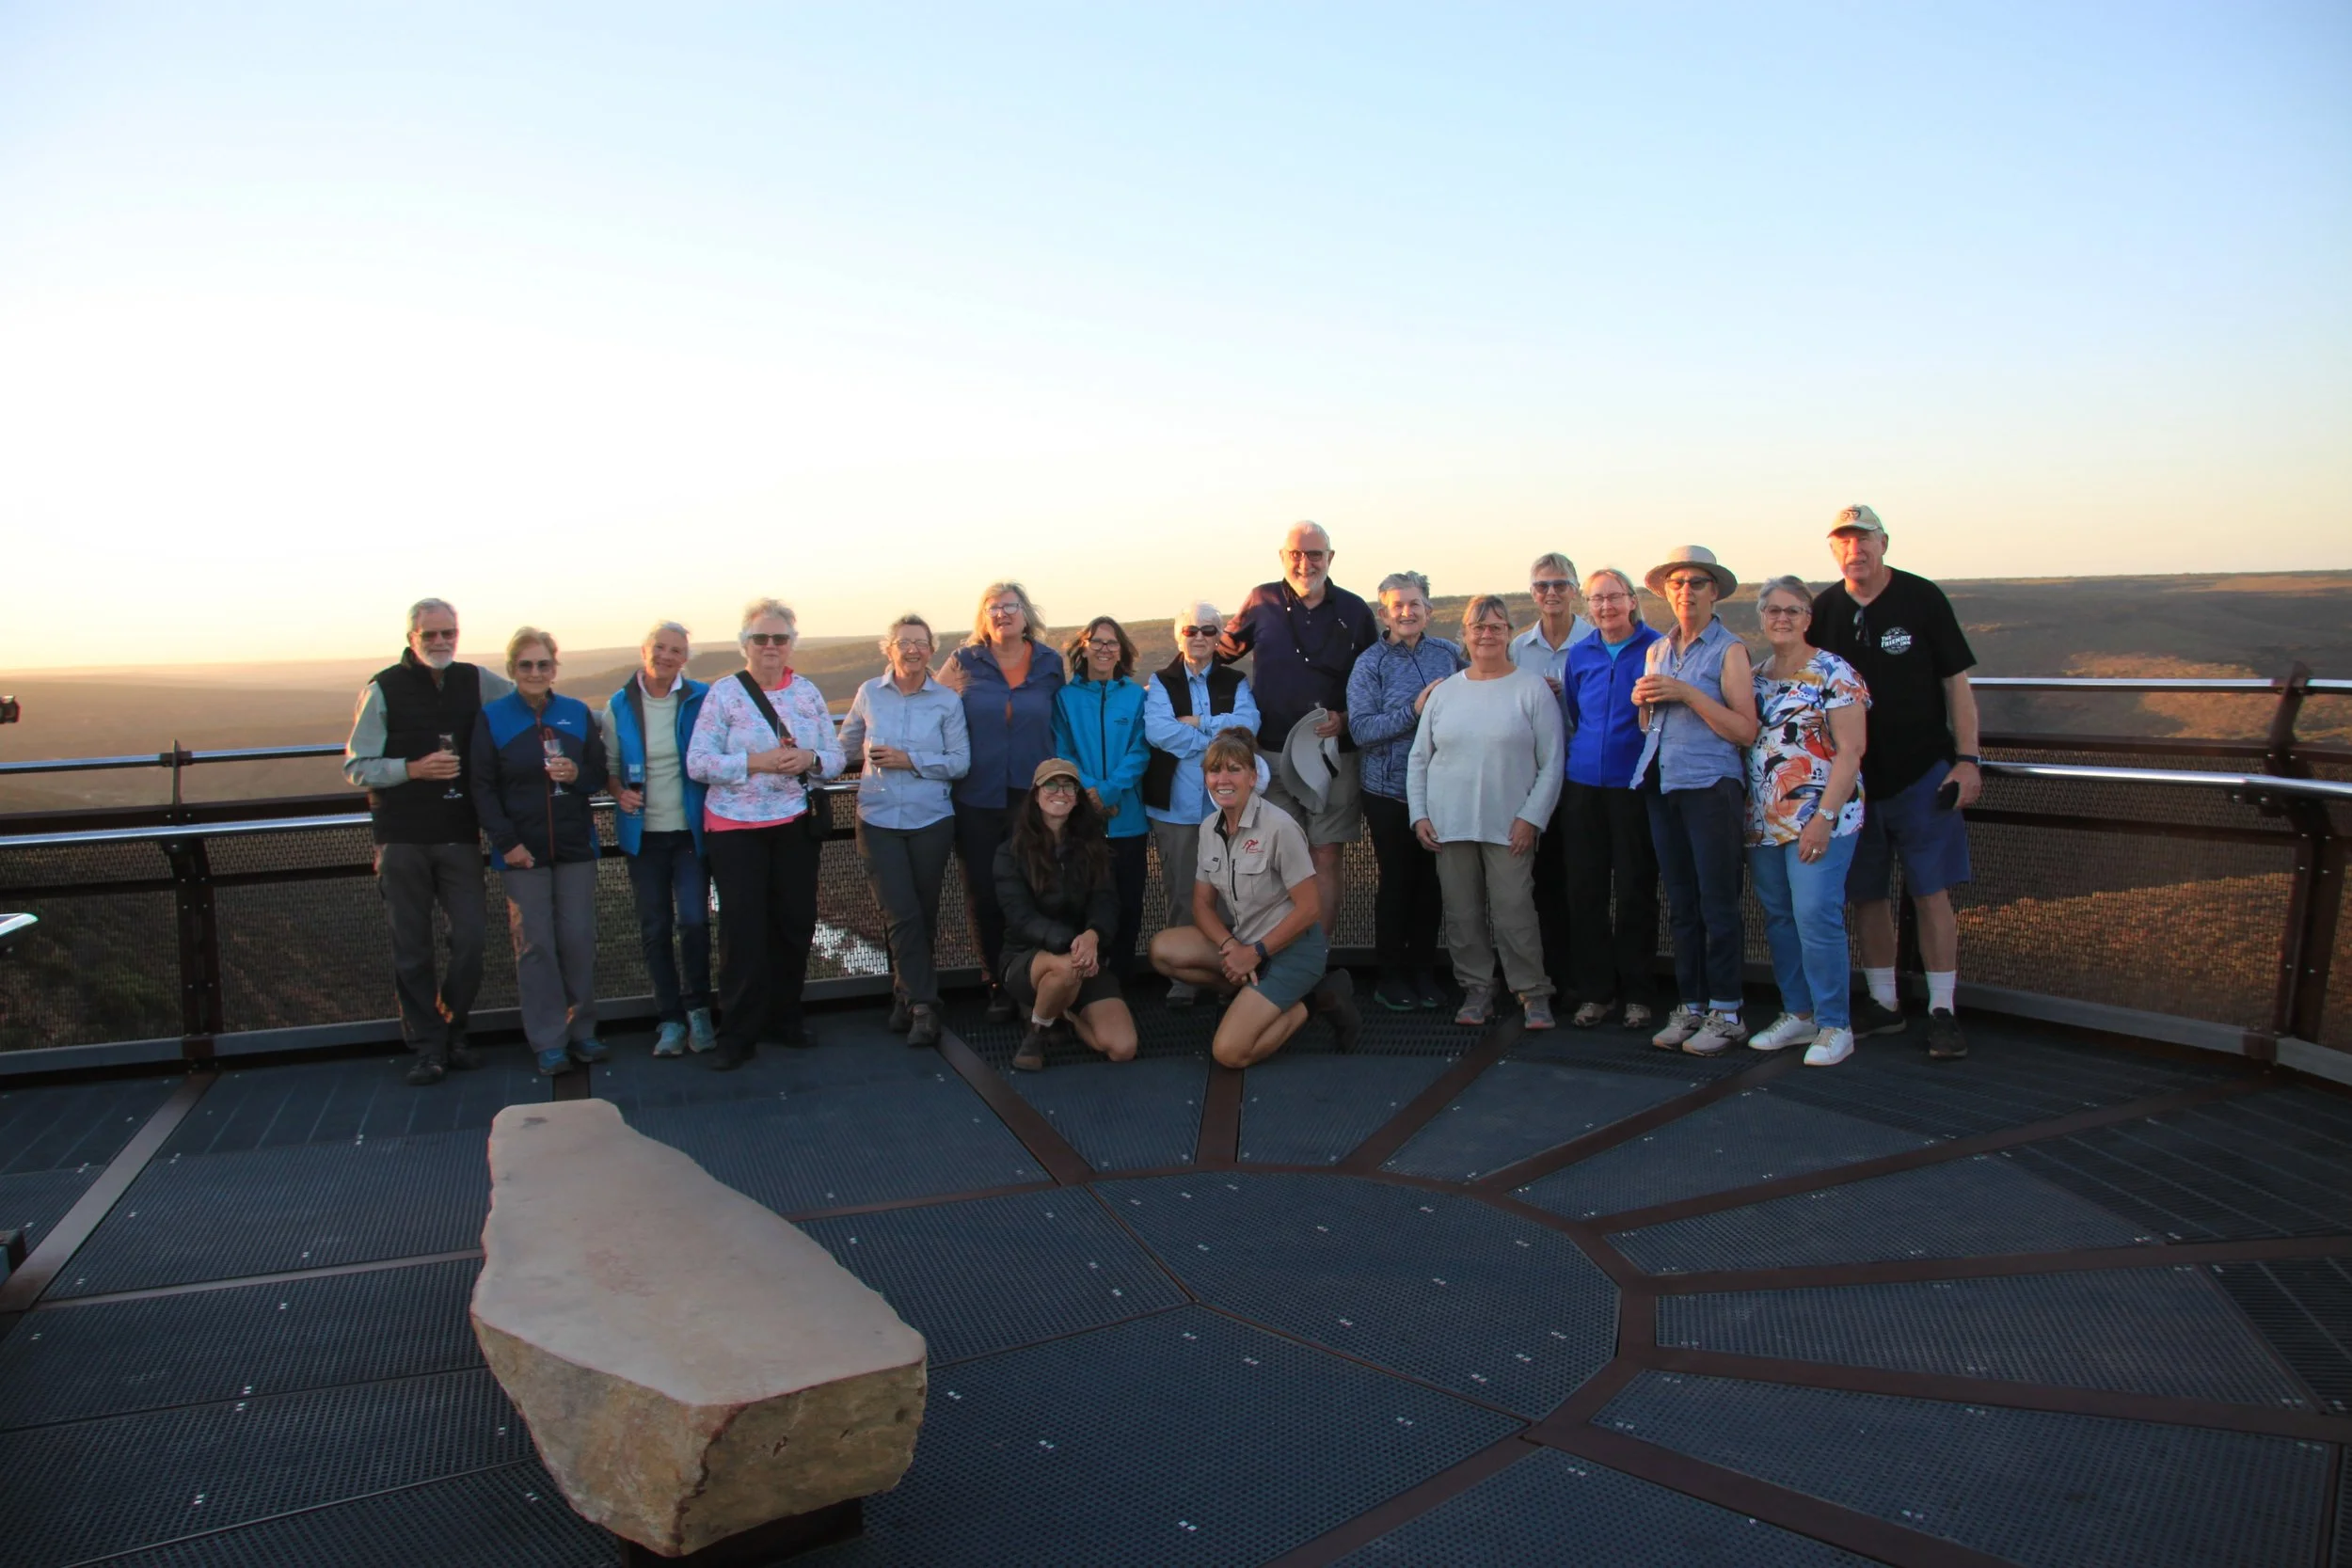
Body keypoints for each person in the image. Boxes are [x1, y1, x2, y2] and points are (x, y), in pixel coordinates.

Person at [1808, 504, 1980, 1060]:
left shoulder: (1920, 597)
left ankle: (1942, 1010)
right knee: (1866, 895)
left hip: (1921, 774)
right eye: (1845, 541)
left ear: (1884, 543)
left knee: (1932, 892)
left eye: (1865, 539)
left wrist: (1968, 758)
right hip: (1854, 783)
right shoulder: (1824, 610)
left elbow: (1957, 683)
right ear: (1834, 550)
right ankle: (1884, 1003)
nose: (1855, 549)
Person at [343, 597, 515, 1086]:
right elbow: (357, 766)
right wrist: (411, 769)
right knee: (412, 947)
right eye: (430, 635)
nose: (441, 642)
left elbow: (529, 697)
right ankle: (429, 1046)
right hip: (401, 836)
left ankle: (453, 1027)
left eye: (448, 633)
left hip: (459, 833)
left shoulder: (477, 681)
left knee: (472, 940)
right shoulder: (384, 689)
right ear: (411, 638)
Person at [686, 598, 843, 1071]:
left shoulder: (809, 693)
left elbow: (834, 757)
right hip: (735, 830)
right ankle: (738, 1031)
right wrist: (754, 762)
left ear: (792, 644)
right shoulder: (725, 694)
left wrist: (810, 760)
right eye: (761, 638)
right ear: (745, 645)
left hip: (794, 822)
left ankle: (784, 1016)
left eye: (779, 639)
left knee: (794, 923)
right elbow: (699, 762)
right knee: (743, 931)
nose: (770, 646)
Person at [1149, 732, 1359, 1067]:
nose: (1223, 779)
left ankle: (1316, 1000)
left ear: (1253, 776)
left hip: (1292, 951)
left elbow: (1310, 909)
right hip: (1247, 943)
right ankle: (1248, 993)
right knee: (1163, 951)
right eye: (1214, 771)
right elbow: (1202, 905)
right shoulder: (1209, 827)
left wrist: (1256, 952)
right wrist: (1233, 947)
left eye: (1234, 769)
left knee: (1229, 1053)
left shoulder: (1279, 827)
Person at [1407, 596, 1565, 1027]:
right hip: (1449, 823)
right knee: (1462, 915)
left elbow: (1553, 761)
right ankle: (1477, 991)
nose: (1487, 635)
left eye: (1496, 627)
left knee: (1515, 912)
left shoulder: (1531, 689)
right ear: (1465, 635)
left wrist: (1532, 817)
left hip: (1509, 824)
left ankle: (1532, 992)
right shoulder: (1446, 693)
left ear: (1510, 633)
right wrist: (1419, 814)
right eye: (1478, 628)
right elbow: (1420, 758)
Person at [1217, 520, 1379, 937]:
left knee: (1325, 854)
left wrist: (1345, 718)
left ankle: (1316, 960)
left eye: (1315, 554)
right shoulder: (1261, 600)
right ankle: (1277, 955)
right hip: (1270, 755)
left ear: (1330, 558)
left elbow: (1373, 677)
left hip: (1333, 755)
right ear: (1282, 557)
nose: (1305, 563)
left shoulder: (1355, 610)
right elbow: (1219, 656)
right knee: (1274, 857)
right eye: (1296, 554)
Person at [1632, 547, 1761, 1056]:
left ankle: (1727, 1010)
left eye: (1698, 582)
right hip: (1663, 785)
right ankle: (1691, 1004)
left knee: (1717, 902)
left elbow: (1745, 730)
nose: (1687, 590)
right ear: (1666, 591)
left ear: (1715, 592)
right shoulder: (1658, 651)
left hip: (1711, 787)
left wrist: (1687, 694)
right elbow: (1650, 726)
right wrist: (1645, 704)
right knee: (1682, 905)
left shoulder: (1729, 651)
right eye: (1677, 582)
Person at [471, 628, 610, 1076]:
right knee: (535, 946)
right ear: (512, 670)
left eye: (543, 664)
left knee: (577, 940)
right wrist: (506, 844)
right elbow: (482, 787)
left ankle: (582, 1030)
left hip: (573, 846)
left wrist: (576, 775)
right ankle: (549, 1040)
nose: (535, 672)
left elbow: (595, 775)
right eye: (526, 665)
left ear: (555, 667)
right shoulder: (493, 718)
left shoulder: (576, 713)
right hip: (521, 851)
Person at [1746, 576, 1870, 1068]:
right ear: (1761, 617)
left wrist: (1824, 816)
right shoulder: (1754, 676)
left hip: (1821, 818)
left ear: (1808, 618)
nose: (1782, 618)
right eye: (1773, 610)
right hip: (1762, 820)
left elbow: (1852, 750)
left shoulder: (1834, 673)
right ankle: (1798, 1013)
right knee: (1779, 917)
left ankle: (1835, 1023)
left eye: (1793, 610)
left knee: (1815, 914)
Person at [838, 614, 970, 1050]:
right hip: (877, 819)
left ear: (931, 650)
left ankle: (904, 997)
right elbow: (842, 747)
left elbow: (959, 762)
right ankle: (926, 1007)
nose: (912, 649)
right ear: (889, 648)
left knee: (922, 913)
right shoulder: (869, 694)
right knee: (901, 913)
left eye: (920, 643)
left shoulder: (946, 702)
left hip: (930, 819)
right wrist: (803, 766)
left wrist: (909, 759)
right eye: (903, 642)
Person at [937, 582, 1066, 1021]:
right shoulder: (963, 661)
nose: (1002, 614)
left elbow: (1068, 720)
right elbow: (929, 709)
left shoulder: (1050, 663)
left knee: (1037, 887)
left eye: (1010, 606)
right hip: (976, 796)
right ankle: (996, 981)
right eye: (992, 608)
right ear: (982, 618)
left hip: (1033, 798)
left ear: (1026, 614)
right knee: (984, 891)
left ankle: (1034, 979)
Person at [1345, 570, 1463, 1011]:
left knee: (1431, 885)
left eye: (1415, 604)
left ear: (1429, 610)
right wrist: (1414, 711)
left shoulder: (1450, 656)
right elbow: (1361, 730)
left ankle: (1424, 973)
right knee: (1397, 883)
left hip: (1440, 790)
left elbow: (1478, 696)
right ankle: (1390, 977)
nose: (1407, 612)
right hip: (1388, 791)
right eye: (1398, 606)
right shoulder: (1369, 665)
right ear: (1384, 614)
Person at [600, 622, 714, 1058]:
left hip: (689, 833)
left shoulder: (701, 698)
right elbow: (610, 766)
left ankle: (699, 1011)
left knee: (693, 923)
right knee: (655, 928)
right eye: (660, 648)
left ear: (685, 658)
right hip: (643, 835)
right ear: (644, 651)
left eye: (676, 651)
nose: (667, 656)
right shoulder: (620, 705)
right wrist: (618, 791)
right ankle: (669, 1020)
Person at [1141, 602, 1263, 1008]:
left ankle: (1231, 971)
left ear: (1218, 637)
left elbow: (1247, 726)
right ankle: (1183, 978)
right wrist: (1219, 744)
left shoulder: (1235, 680)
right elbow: (1159, 731)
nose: (1199, 637)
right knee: (1180, 890)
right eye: (1191, 630)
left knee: (1231, 889)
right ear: (1179, 636)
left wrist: (1196, 725)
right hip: (1175, 808)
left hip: (1225, 807)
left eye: (1209, 631)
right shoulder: (1161, 681)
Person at [1559, 568, 1664, 1030]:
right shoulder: (1580, 655)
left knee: (1637, 889)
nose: (1606, 607)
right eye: (1597, 600)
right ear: (1588, 606)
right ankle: (1596, 993)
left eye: (1614, 597)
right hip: (1582, 786)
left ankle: (1638, 993)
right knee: (1586, 892)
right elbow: (1575, 712)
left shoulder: (1657, 649)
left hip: (1635, 787)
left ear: (1632, 601)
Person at [995, 758, 1140, 1072]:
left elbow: (1106, 902)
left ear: (1077, 795)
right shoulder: (1011, 852)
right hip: (1028, 957)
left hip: (1084, 956)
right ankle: (1035, 1033)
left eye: (1068, 785)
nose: (1059, 792)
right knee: (1065, 969)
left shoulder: (1094, 847)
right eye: (1050, 784)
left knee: (1122, 1049)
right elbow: (1020, 918)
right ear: (1036, 794)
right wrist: (1073, 942)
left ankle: (1063, 1014)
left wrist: (1093, 935)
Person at [1509, 552, 1596, 1005]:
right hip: (1529, 776)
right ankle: (1546, 976)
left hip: (1582, 776)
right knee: (1538, 882)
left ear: (1576, 590)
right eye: (1543, 585)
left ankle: (1587, 980)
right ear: (1532, 593)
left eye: (1561, 584)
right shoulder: (1519, 649)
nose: (1552, 593)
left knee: (1581, 879)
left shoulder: (1595, 641)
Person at [1053, 617, 1151, 980]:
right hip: (1082, 819)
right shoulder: (1065, 698)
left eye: (1112, 643)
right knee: (1082, 901)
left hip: (1129, 819)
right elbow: (1063, 751)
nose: (1104, 649)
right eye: (1097, 642)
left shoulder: (1136, 696)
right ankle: (1085, 978)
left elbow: (1141, 750)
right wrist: (1091, 793)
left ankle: (1120, 979)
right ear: (1084, 648)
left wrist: (1108, 791)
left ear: (1122, 650)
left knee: (1128, 904)